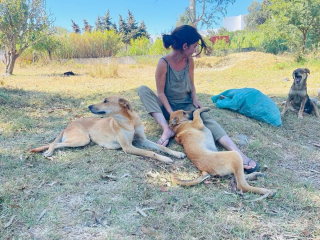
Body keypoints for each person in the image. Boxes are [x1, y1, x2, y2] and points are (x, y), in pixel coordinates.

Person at [137, 25, 259, 173]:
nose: (195, 49)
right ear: (185, 46)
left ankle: (238, 153)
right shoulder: (164, 63)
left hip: (187, 106)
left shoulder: (189, 61)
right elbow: (161, 93)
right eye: (194, 46)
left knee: (208, 120)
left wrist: (194, 99)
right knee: (143, 90)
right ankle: (166, 130)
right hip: (167, 106)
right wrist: (172, 115)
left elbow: (192, 85)